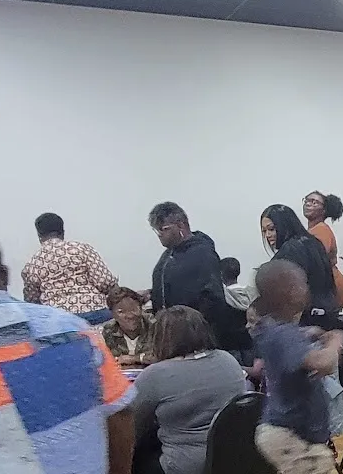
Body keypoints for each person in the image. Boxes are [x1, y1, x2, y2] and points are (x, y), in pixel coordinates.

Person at [0, 224, 135, 474]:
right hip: (81, 323)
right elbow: (120, 414)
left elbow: (32, 293)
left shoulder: (34, 264)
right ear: (4, 276)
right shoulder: (73, 328)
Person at [252, 259, 343, 474]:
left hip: (296, 435)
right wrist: (336, 340)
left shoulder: (281, 330)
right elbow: (323, 364)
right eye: (302, 284)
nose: (307, 289)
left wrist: (310, 335)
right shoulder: (282, 335)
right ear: (289, 291)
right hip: (290, 435)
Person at [131, 305, 247, 474]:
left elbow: (132, 428)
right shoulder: (228, 360)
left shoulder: (155, 375)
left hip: (183, 466)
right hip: (234, 459)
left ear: (160, 338)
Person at [21, 211, 119, 323]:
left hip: (58, 320)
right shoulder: (82, 249)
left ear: (39, 236)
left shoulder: (32, 264)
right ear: (62, 232)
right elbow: (105, 281)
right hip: (96, 312)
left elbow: (32, 301)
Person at [148, 202, 226, 332]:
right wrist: (151, 293)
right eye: (156, 230)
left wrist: (196, 328)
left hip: (195, 333)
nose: (159, 234)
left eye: (163, 229)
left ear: (180, 225)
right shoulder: (168, 255)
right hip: (169, 332)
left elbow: (213, 297)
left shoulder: (203, 253)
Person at [261, 204, 338, 329]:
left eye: (271, 229)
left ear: (283, 225)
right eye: (264, 231)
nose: (267, 235)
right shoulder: (313, 242)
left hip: (305, 319)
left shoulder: (290, 250)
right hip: (326, 313)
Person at [302, 190, 343, 310]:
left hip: (330, 288)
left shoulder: (321, 230)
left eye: (314, 202)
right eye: (307, 200)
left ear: (323, 210)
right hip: (327, 286)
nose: (308, 204)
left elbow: (316, 259)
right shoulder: (314, 230)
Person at [102, 286, 157, 366]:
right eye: (121, 312)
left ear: (142, 308)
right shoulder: (108, 331)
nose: (130, 316)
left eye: (134, 309)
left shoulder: (155, 325)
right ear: (112, 314)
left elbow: (165, 356)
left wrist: (134, 358)